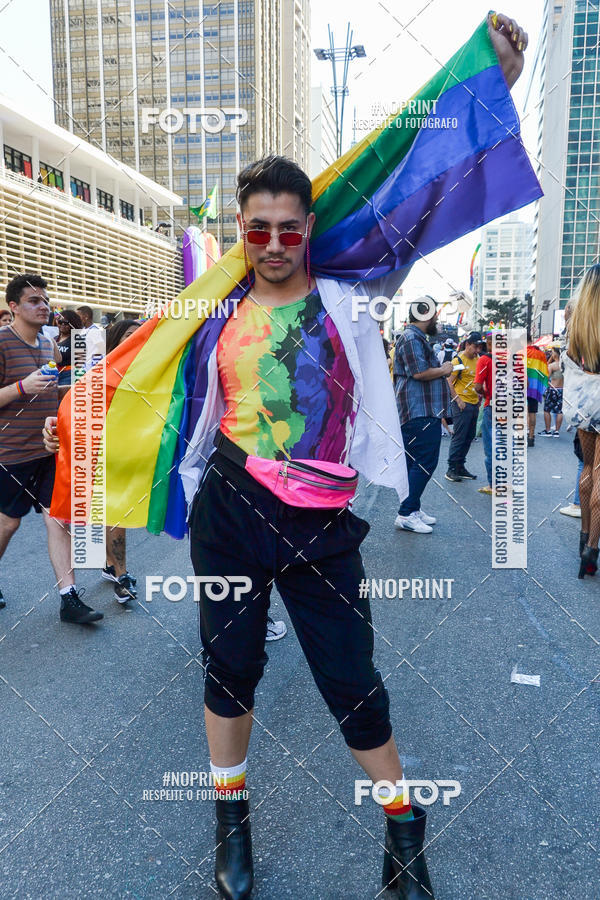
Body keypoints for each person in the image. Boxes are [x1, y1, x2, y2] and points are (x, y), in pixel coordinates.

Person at [0, 274, 102, 622]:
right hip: (10, 455)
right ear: (13, 307)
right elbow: (24, 390)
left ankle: (68, 597)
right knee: (8, 526)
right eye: (33, 300)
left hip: (49, 451)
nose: (43, 305)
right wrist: (21, 387)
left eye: (45, 300)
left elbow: (52, 393)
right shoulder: (1, 342)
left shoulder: (49, 346)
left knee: (57, 519)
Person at [393, 298, 453, 532]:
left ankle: (412, 507)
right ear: (425, 316)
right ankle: (406, 513)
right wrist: (444, 369)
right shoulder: (411, 338)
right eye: (435, 316)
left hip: (422, 410)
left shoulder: (415, 338)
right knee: (425, 462)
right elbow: (418, 373)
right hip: (418, 410)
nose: (436, 320)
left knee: (415, 463)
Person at [563, 264, 600, 577]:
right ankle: (593, 547)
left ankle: (583, 542)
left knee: (587, 469)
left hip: (584, 404)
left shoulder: (575, 317)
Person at [445, 331, 482, 482]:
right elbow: (448, 382)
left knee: (469, 436)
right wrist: (457, 399)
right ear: (467, 344)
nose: (477, 350)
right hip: (461, 404)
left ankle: (460, 466)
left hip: (474, 403)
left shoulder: (478, 359)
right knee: (459, 437)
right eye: (475, 347)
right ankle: (451, 468)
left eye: (479, 347)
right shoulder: (458, 360)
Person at [474, 331, 494, 494]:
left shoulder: (485, 360)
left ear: (489, 344)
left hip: (492, 406)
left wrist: (485, 393)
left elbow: (477, 386)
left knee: (490, 446)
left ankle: (494, 485)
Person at [526, 334, 549, 447]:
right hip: (534, 388)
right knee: (532, 413)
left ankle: (520, 435)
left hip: (520, 387)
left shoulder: (519, 353)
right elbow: (545, 373)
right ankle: (531, 436)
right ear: (531, 340)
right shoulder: (540, 354)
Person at [55, 308, 83, 388]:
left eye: (66, 323)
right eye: (60, 322)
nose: (63, 325)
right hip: (54, 374)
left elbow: (80, 364)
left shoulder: (77, 340)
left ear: (73, 323)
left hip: (69, 375)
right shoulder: (55, 339)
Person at [539, 347, 563, 436]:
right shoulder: (564, 365)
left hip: (553, 389)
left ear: (555, 354)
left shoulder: (552, 366)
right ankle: (557, 431)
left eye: (552, 353)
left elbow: (546, 378)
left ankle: (548, 430)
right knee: (560, 411)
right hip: (562, 389)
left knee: (547, 410)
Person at [76, 304, 105, 369]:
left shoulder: (94, 330)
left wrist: (90, 362)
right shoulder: (83, 330)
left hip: (90, 368)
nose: (76, 319)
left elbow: (102, 348)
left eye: (78, 316)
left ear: (86, 316)